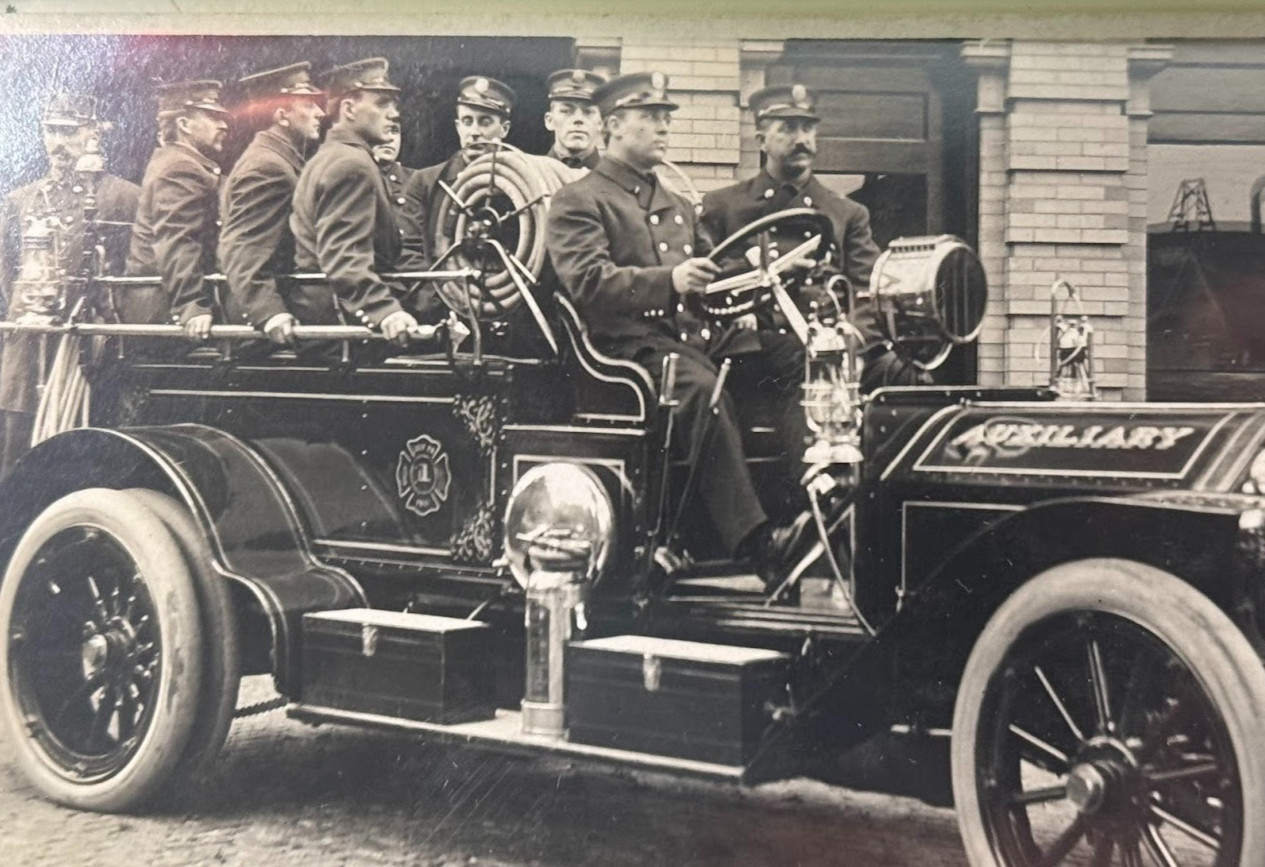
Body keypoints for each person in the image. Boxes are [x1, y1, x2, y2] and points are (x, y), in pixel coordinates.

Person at [546, 72, 809, 589]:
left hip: (691, 336)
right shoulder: (582, 199)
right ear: (615, 126)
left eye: (666, 117)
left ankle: (818, 506)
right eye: (652, 118)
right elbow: (586, 282)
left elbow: (710, 269)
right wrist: (671, 281)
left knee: (798, 357)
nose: (664, 128)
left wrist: (766, 271)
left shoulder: (676, 200)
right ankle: (758, 543)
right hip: (625, 349)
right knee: (699, 389)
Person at [701, 83, 927, 390]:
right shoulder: (722, 206)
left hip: (830, 341)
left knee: (909, 378)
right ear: (761, 141)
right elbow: (705, 286)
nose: (801, 139)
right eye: (788, 129)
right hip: (755, 350)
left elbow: (870, 293)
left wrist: (851, 340)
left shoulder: (846, 213)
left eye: (808, 128)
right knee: (809, 375)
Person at [0, 92, 139, 476]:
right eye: (51, 131)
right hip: (28, 356)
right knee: (17, 462)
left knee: (79, 462)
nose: (58, 143)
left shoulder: (123, 197)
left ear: (93, 133)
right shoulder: (20, 201)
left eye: (69, 131)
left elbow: (132, 274)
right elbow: (8, 275)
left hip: (85, 355)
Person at [289, 57, 420, 346]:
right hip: (346, 330)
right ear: (348, 108)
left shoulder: (327, 156)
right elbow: (343, 255)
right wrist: (385, 312)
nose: (394, 114)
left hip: (331, 314)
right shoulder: (352, 164)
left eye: (394, 105)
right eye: (382, 104)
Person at [217, 62, 324, 347]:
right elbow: (241, 247)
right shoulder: (268, 167)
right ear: (281, 116)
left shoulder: (279, 159)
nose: (320, 113)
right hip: (266, 331)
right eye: (309, 105)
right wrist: (270, 314)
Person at [123, 79, 229, 341]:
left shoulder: (179, 162)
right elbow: (177, 240)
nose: (224, 125)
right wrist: (191, 305)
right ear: (184, 125)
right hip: (165, 309)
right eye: (213, 117)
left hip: (159, 303)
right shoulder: (180, 168)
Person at [407, 75, 515, 258]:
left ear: (504, 129)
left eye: (485, 122)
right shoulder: (426, 182)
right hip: (437, 283)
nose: (474, 132)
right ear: (458, 127)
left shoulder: (519, 186)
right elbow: (409, 250)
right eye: (467, 121)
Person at [542, 68, 605, 170]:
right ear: (549, 121)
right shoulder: (533, 172)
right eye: (566, 111)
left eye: (588, 112)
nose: (578, 119)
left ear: (600, 123)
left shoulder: (616, 178)